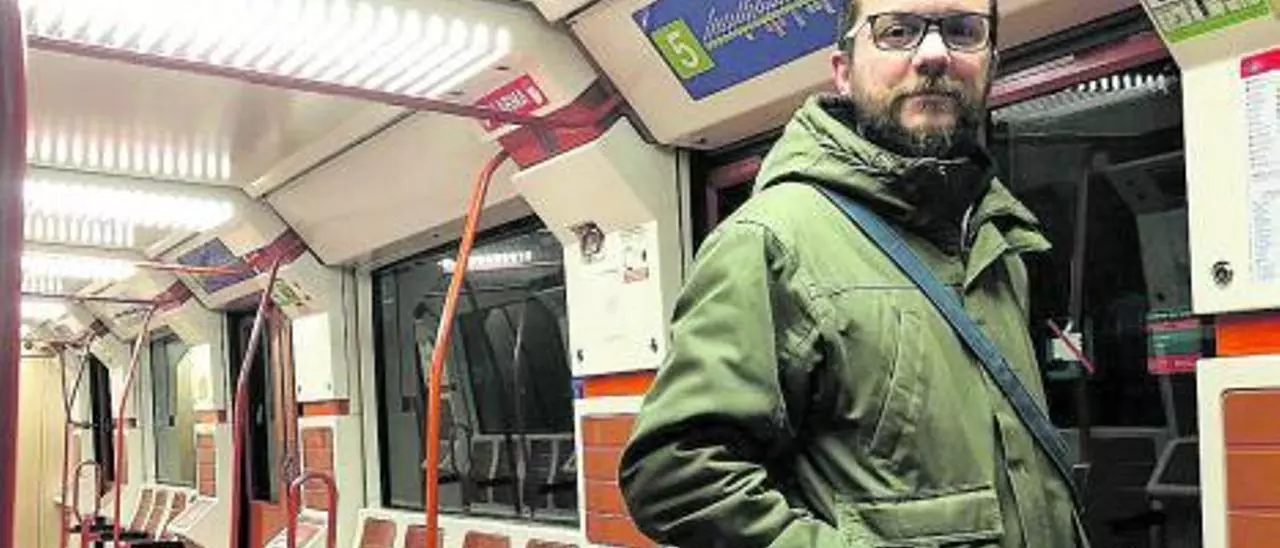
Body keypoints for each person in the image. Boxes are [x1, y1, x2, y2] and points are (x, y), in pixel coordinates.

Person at [617, 0, 1087, 546]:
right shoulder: (772, 241)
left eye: (963, 31)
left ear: (991, 67)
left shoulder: (996, 242)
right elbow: (676, 475)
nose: (935, 53)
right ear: (843, 71)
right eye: (898, 31)